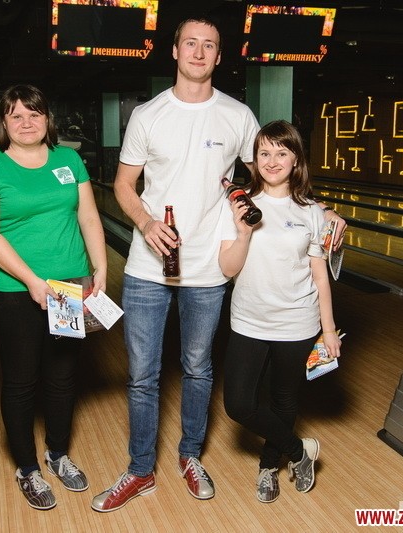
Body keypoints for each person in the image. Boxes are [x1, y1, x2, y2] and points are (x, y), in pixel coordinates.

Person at [91, 17, 345, 513]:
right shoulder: (148, 114)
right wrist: (145, 222)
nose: (199, 52)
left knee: (198, 368)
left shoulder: (237, 115)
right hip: (147, 268)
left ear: (219, 56)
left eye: (209, 45)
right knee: (142, 375)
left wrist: (321, 210)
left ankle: (190, 456)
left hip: (208, 269)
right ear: (175, 50)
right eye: (190, 43)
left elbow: (271, 172)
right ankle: (140, 470)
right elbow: (123, 184)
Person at [0, 84, 107, 511]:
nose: (26, 122)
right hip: (15, 290)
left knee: (63, 375)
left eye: (35, 114)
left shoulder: (69, 160)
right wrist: (31, 280)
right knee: (21, 380)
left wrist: (100, 268)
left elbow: (88, 215)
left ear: (47, 119)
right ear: (3, 123)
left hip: (68, 287)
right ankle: (27, 468)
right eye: (17, 115)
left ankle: (58, 454)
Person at [218, 120, 341, 504]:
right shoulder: (237, 205)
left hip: (297, 322)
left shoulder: (313, 212)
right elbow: (227, 268)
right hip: (248, 321)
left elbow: (320, 276)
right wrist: (243, 233)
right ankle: (300, 451)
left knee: (284, 399)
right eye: (264, 153)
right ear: (254, 160)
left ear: (296, 159)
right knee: (239, 404)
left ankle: (269, 466)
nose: (272, 161)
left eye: (281, 153)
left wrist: (329, 329)